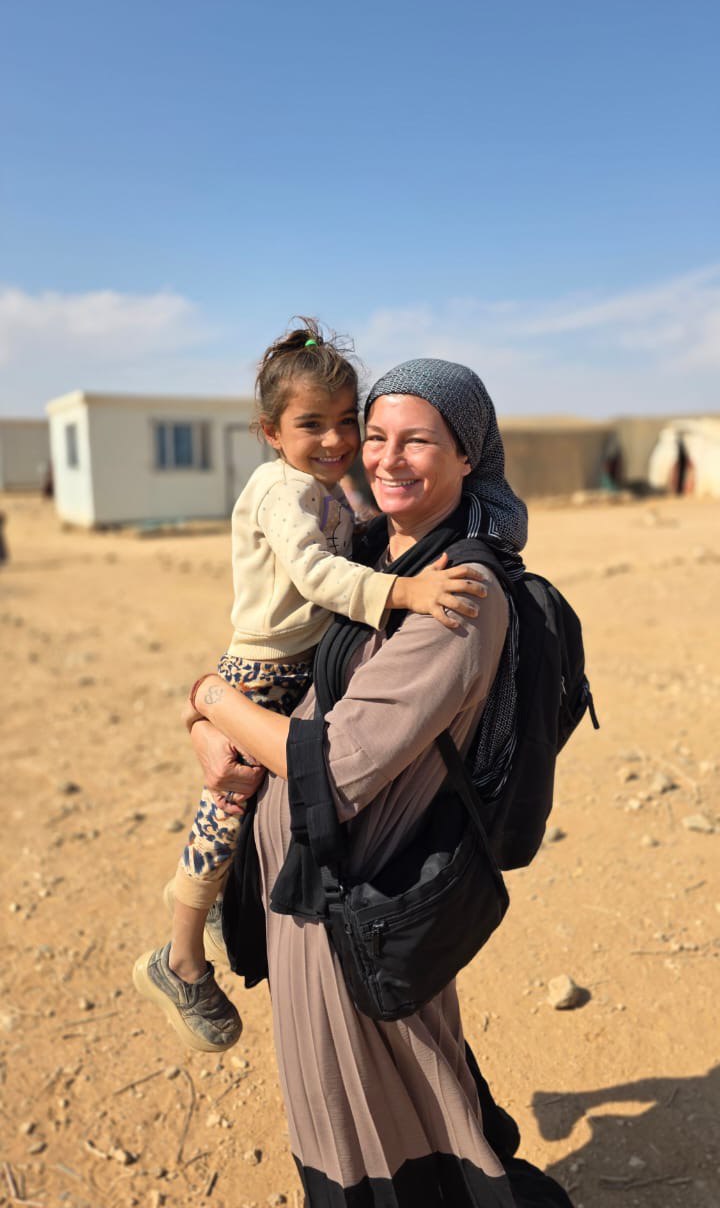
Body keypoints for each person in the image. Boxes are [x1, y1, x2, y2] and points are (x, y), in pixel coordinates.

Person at [183, 358, 575, 1207]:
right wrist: (210, 729)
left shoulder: (458, 592)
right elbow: (284, 675)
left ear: (468, 454)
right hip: (314, 902)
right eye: (376, 436)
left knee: (386, 1121)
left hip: (358, 906)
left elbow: (334, 764)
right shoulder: (372, 553)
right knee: (378, 1106)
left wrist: (210, 699)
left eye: (417, 441)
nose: (387, 458)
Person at [133, 324, 487, 1053]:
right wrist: (404, 593)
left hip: (295, 663)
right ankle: (180, 957)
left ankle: (226, 923)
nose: (335, 440)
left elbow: (356, 536)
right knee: (225, 809)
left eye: (346, 422)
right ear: (270, 432)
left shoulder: (325, 488)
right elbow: (317, 573)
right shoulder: (281, 489)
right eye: (311, 425)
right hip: (265, 668)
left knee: (252, 808)